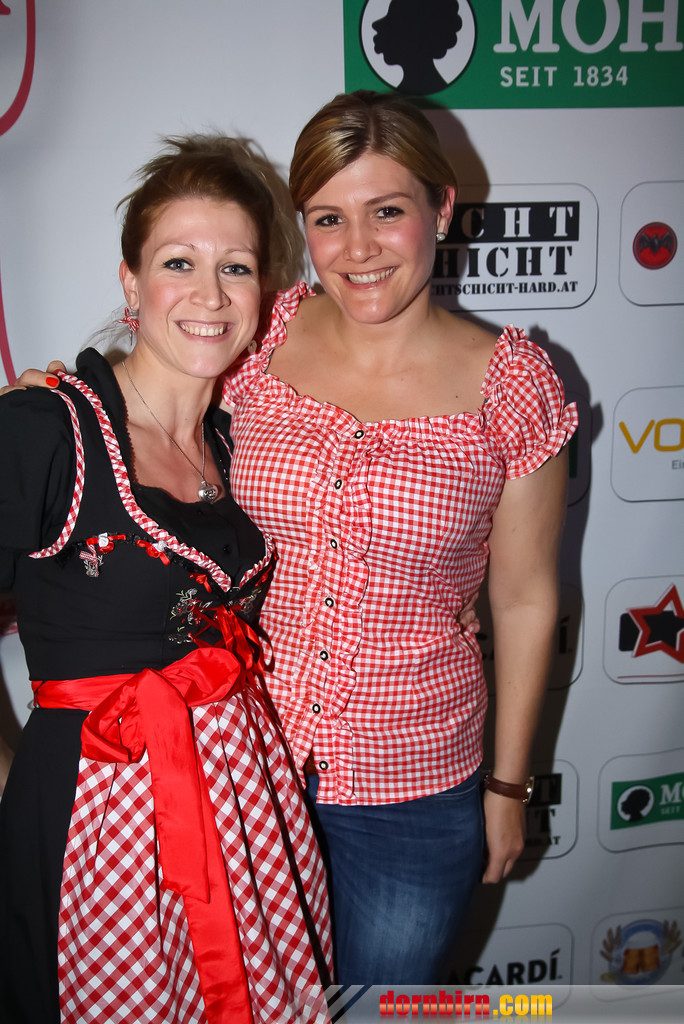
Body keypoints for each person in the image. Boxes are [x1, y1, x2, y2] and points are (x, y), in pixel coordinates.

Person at [5, 90, 578, 987]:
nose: (358, 247)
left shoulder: (515, 386)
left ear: (441, 208)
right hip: (242, 768)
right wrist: (48, 399)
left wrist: (510, 786)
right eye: (328, 218)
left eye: (387, 211)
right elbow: (156, 386)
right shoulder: (260, 336)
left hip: (413, 782)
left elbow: (527, 596)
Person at [0, 135, 331, 1024]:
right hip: (97, 815)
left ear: (264, 293)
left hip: (246, 804)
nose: (210, 295)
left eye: (236, 267)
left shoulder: (236, 439)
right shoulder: (46, 428)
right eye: (179, 262)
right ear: (131, 282)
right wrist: (14, 771)